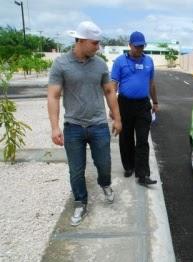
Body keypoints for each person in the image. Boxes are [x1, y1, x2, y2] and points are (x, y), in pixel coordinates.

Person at [47, 21, 122, 226]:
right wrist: (54, 127)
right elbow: (53, 96)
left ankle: (105, 184)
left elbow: (109, 91)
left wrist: (117, 118)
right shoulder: (61, 64)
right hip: (73, 127)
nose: (98, 47)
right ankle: (80, 201)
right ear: (80, 40)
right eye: (94, 43)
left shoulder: (100, 64)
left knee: (104, 164)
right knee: (76, 169)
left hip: (98, 125)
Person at [111, 31, 159, 186]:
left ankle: (142, 174)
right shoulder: (119, 62)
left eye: (142, 46)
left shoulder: (149, 61)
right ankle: (129, 166)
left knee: (143, 140)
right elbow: (113, 87)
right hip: (124, 104)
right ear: (130, 45)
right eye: (137, 46)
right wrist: (113, 109)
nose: (139, 49)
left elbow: (151, 83)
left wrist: (155, 102)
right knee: (126, 138)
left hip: (143, 105)